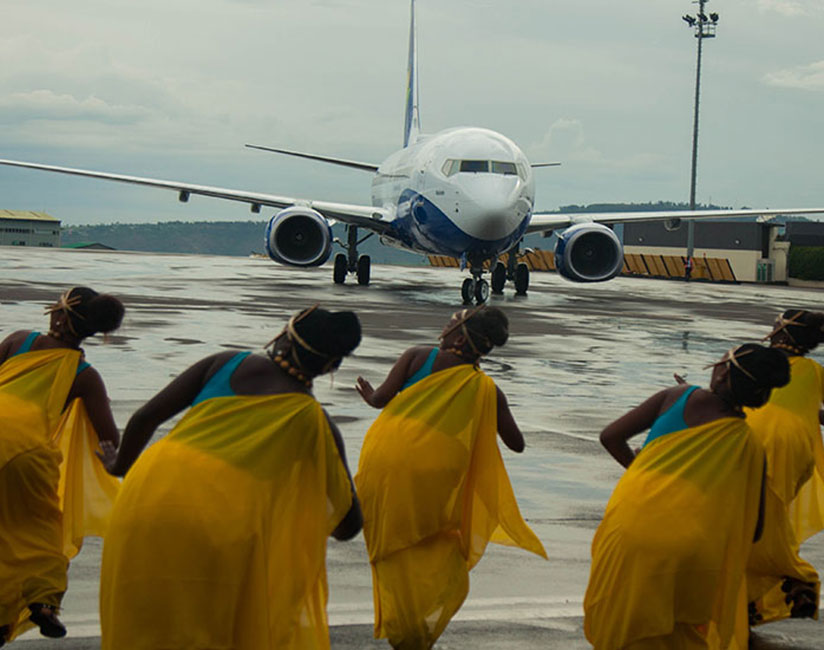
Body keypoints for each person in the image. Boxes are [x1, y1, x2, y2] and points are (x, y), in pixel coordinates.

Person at [97, 305, 363, 650]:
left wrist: (118, 466)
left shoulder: (226, 363)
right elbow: (348, 524)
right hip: (225, 529)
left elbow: (146, 418)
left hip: (147, 496)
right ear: (333, 365)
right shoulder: (315, 422)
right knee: (205, 635)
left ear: (284, 335)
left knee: (142, 624)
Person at [354, 306, 546, 649]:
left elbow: (380, 400)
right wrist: (483, 409)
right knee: (432, 544)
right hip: (437, 475)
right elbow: (516, 444)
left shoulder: (417, 357)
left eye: (451, 321)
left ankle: (401, 623)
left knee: (391, 542)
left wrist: (370, 396)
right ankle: (416, 629)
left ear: (459, 336)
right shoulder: (487, 389)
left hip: (386, 460)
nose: (445, 325)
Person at [586, 343, 790, 649]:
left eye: (721, 361)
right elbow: (756, 528)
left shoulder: (675, 397)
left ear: (722, 375)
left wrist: (643, 469)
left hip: (633, 528)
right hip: (695, 554)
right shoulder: (749, 445)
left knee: (624, 626)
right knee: (682, 635)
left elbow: (610, 437)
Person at [0, 287, 124, 645]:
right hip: (27, 455)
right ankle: (44, 600)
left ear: (57, 313)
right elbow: (109, 439)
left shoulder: (20, 340)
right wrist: (119, 469)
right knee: (40, 529)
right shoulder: (84, 375)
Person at [745, 309, 824, 626]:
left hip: (755, 441)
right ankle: (754, 597)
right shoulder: (816, 372)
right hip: (797, 452)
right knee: (769, 519)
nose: (772, 328)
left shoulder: (758, 361)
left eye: (776, 324)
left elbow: (732, 393)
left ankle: (792, 575)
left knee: (743, 522)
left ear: (783, 334)